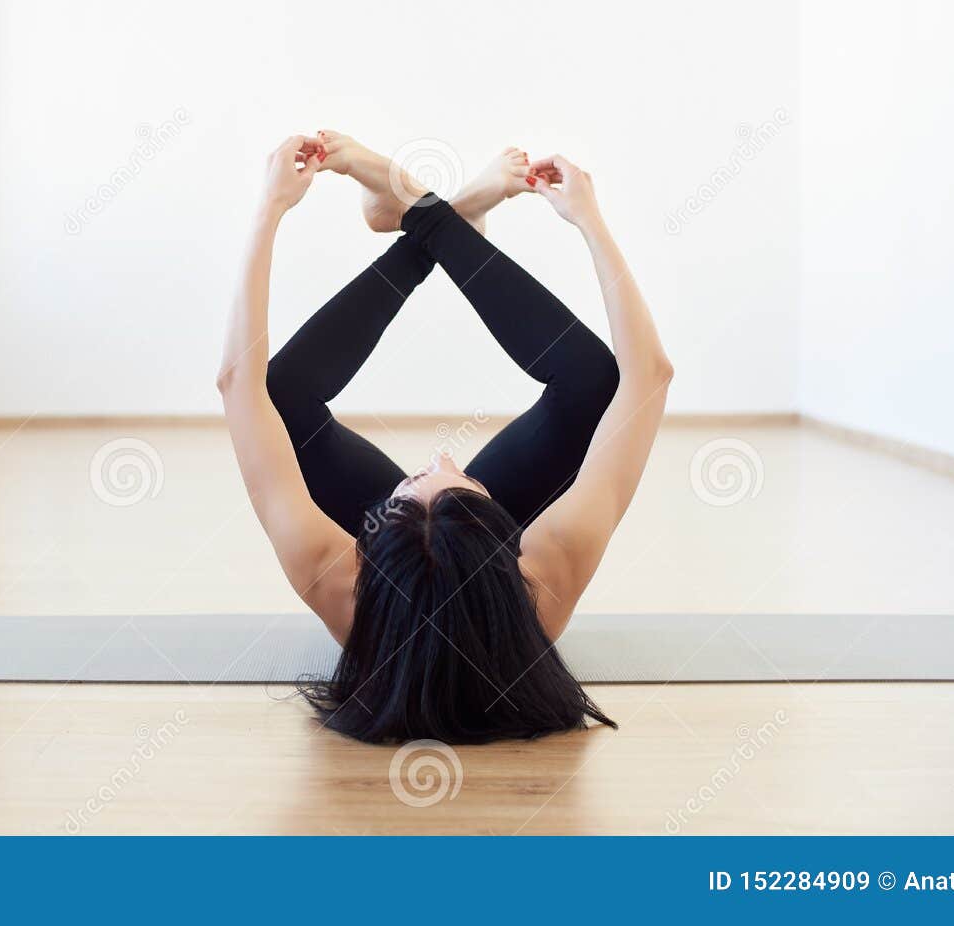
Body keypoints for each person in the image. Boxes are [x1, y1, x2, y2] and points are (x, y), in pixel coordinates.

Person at [217, 131, 672, 743]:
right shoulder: (548, 576)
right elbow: (648, 376)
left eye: (408, 490)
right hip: (468, 559)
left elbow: (239, 382)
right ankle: (441, 216)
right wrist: (590, 222)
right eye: (458, 483)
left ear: (373, 546)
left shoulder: (342, 586)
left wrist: (267, 209)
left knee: (281, 400)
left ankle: (439, 217)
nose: (438, 456)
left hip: (416, 563)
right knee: (594, 385)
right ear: (508, 541)